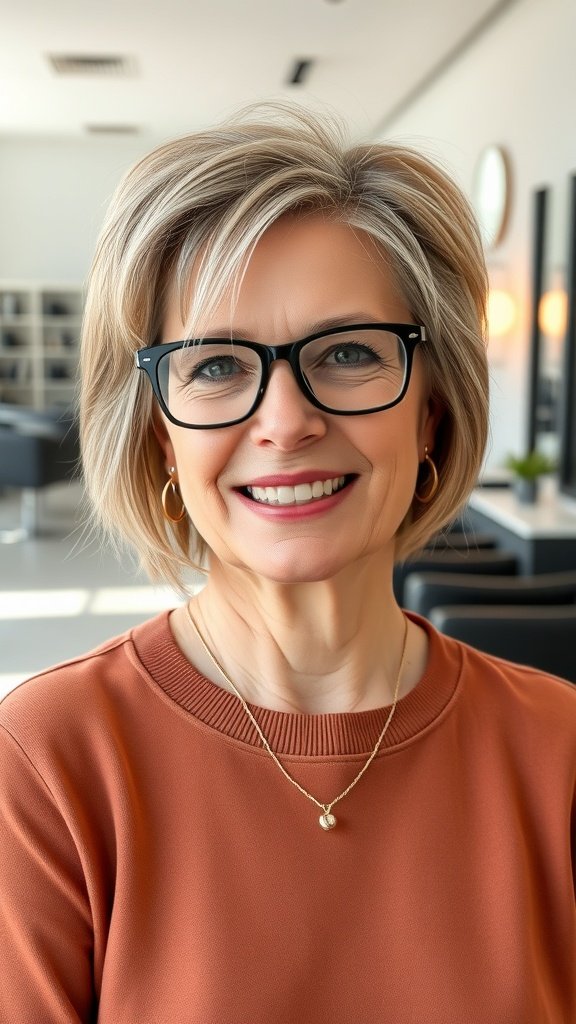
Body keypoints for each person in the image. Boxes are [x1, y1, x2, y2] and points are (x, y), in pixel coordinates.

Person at [1, 104, 574, 1024]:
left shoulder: (561, 750)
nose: (285, 420)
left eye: (348, 352)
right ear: (159, 436)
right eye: (217, 366)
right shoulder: (49, 763)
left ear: (431, 409)